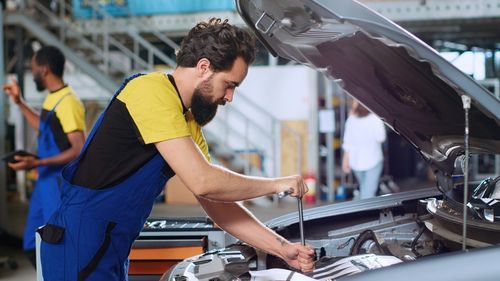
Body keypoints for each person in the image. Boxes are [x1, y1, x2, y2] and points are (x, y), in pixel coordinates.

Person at [38, 18, 315, 280]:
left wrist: (281, 248)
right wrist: (278, 184)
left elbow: (218, 205)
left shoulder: (187, 119)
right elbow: (204, 181)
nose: (229, 97)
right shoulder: (149, 91)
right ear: (204, 67)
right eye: (229, 85)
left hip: (109, 244)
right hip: (78, 242)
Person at [2, 45, 86, 265]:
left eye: (34, 68)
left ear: (44, 70)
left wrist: (37, 162)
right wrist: (19, 103)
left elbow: (78, 148)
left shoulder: (69, 103)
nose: (33, 73)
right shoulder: (53, 98)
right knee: (31, 244)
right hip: (44, 182)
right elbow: (43, 127)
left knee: (55, 243)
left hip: (57, 184)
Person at [342, 100, 386, 199]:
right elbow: (381, 138)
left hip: (356, 162)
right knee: (367, 194)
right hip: (373, 161)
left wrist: (345, 161)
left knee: (364, 190)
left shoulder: (351, 119)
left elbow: (347, 143)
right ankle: (360, 212)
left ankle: (357, 210)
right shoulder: (375, 118)